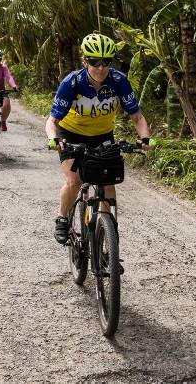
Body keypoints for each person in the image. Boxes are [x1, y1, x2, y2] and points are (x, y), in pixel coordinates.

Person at [44, 33, 151, 245]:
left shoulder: (119, 81)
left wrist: (145, 138)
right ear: (85, 61)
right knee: (74, 181)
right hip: (71, 135)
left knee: (108, 184)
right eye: (94, 62)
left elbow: (137, 117)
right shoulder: (72, 83)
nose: (100, 68)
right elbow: (52, 121)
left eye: (106, 62)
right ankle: (62, 218)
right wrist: (54, 139)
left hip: (102, 136)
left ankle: (108, 235)